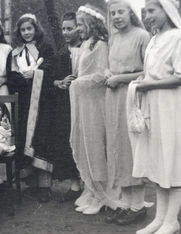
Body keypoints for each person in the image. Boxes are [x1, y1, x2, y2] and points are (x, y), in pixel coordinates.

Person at [132, 0, 181, 234]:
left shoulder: (177, 36)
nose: (147, 16)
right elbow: (152, 72)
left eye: (152, 11)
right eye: (145, 12)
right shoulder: (155, 39)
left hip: (171, 107)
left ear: (166, 11)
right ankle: (160, 218)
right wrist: (141, 80)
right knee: (159, 161)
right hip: (154, 107)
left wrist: (149, 84)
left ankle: (172, 221)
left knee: (173, 161)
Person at [103, 0, 151, 225]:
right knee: (116, 147)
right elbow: (111, 66)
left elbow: (149, 72)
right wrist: (108, 73)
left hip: (131, 96)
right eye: (112, 13)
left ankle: (138, 206)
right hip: (113, 97)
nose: (116, 17)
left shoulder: (142, 36)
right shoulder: (113, 38)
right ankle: (126, 204)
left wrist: (120, 78)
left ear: (130, 13)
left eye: (121, 12)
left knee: (131, 149)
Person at [69, 5, 118, 214]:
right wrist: (74, 80)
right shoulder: (85, 44)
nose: (78, 28)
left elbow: (101, 75)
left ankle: (102, 194)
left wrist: (80, 82)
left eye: (81, 24)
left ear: (91, 24)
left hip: (96, 102)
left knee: (96, 144)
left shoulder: (100, 45)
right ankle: (91, 189)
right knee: (86, 142)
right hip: (84, 101)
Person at [7, 13, 55, 202]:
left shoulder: (45, 48)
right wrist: (23, 77)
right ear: (19, 32)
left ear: (36, 29)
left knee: (41, 138)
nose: (27, 32)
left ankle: (45, 186)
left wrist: (36, 74)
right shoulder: (15, 52)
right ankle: (32, 183)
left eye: (30, 28)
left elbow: (51, 69)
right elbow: (10, 77)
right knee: (25, 139)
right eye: (23, 29)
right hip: (25, 102)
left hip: (42, 102)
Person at [51, 11, 82, 202]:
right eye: (63, 29)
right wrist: (59, 82)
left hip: (85, 101)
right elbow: (52, 78)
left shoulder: (88, 48)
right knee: (68, 140)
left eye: (70, 28)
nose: (65, 32)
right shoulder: (62, 52)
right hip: (66, 104)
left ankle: (92, 185)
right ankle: (75, 184)